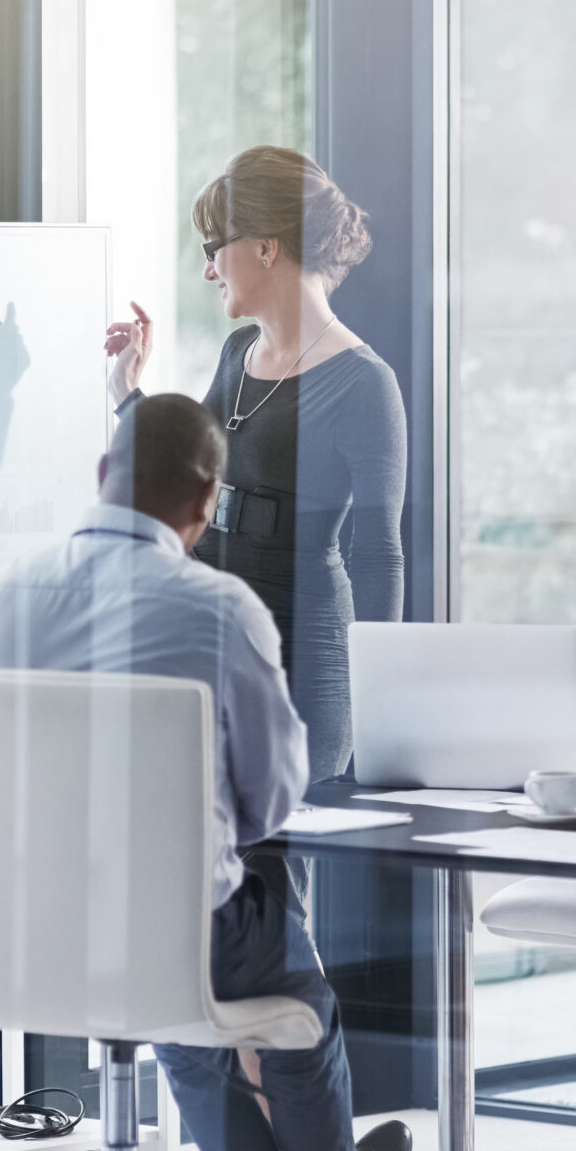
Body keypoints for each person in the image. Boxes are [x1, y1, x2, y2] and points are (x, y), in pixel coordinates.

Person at [0, 393, 431, 1151]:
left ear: (102, 477)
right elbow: (273, 800)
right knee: (287, 991)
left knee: (173, 1011)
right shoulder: (217, 609)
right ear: (207, 504)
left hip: (15, 938)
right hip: (175, 936)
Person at [104, 146, 408, 784]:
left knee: (272, 865)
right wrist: (128, 392)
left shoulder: (364, 384)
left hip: (305, 659)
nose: (209, 269)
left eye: (215, 247)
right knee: (201, 854)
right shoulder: (238, 349)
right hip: (209, 638)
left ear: (266, 248)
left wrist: (382, 703)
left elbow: (379, 557)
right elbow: (183, 476)